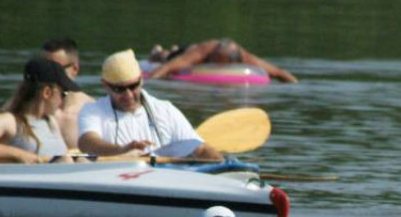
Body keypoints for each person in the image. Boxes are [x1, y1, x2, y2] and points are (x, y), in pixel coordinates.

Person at [78, 49, 223, 159]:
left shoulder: (165, 110)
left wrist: (223, 165)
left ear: (141, 80)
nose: (128, 94)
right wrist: (123, 150)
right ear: (105, 85)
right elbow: (87, 143)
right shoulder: (93, 111)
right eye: (119, 89)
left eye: (133, 86)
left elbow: (200, 149)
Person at [0, 58, 80, 163]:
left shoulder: (52, 122)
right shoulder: (9, 121)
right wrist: (17, 154)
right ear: (47, 93)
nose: (64, 99)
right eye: (64, 93)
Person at [145, 39, 298, 83]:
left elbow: (279, 73)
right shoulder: (202, 52)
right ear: (212, 57)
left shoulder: (244, 56)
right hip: (187, 51)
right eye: (217, 63)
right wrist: (151, 80)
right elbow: (168, 67)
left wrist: (296, 86)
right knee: (166, 56)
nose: (219, 68)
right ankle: (159, 52)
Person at [41, 38, 96, 149]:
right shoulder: (28, 107)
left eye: (56, 69)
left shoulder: (93, 111)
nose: (48, 75)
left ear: (75, 69)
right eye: (44, 68)